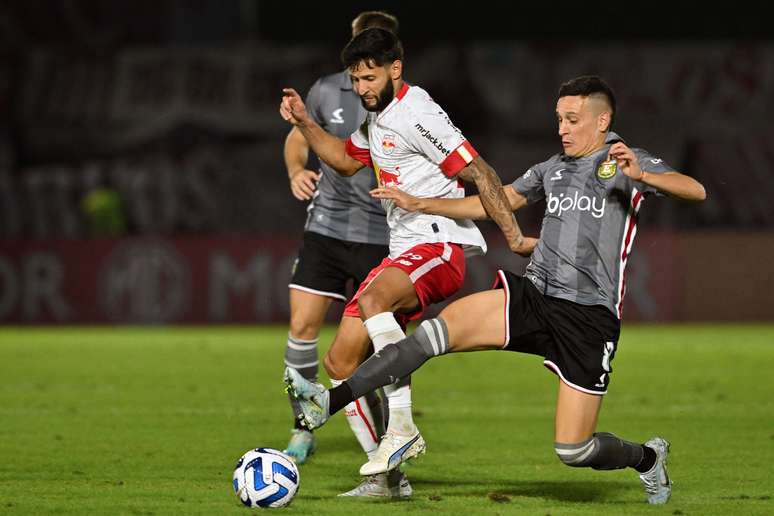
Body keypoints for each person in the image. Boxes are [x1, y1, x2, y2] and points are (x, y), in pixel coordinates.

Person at [285, 75, 707, 505]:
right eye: (559, 118)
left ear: (603, 121)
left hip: (588, 319)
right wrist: (421, 203)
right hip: (534, 296)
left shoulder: (627, 162)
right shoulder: (552, 169)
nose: (562, 127)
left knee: (574, 449)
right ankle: (331, 401)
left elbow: (696, 190)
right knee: (429, 338)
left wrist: (646, 176)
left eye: (572, 119)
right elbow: (498, 198)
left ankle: (648, 459)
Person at [280, 28, 531, 483]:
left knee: (373, 300)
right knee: (339, 363)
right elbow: (341, 159)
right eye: (356, 80)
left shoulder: (418, 112)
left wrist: (512, 237)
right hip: (403, 250)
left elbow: (480, 171)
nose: (362, 89)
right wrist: (304, 121)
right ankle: (389, 479)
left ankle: (402, 428)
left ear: (396, 69)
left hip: (437, 246)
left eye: (370, 78)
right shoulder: (377, 118)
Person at [280, 11, 403, 496]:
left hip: (384, 236)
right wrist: (295, 171)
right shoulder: (326, 91)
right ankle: (302, 429)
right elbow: (296, 139)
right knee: (302, 327)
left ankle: (388, 440)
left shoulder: (406, 103)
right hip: (327, 229)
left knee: (372, 348)